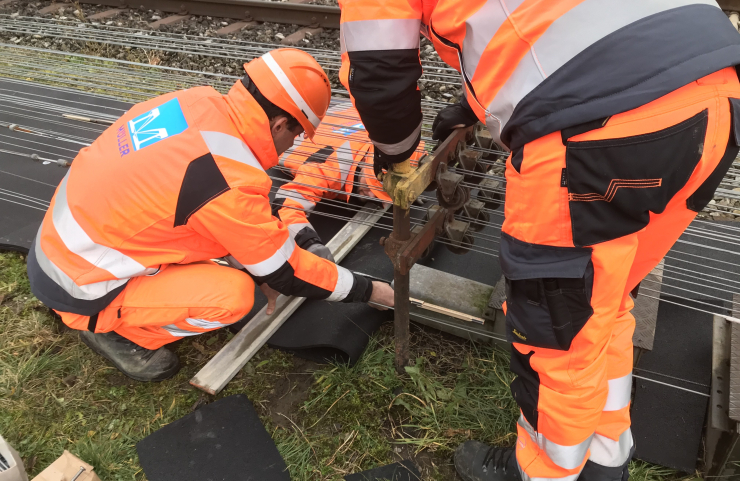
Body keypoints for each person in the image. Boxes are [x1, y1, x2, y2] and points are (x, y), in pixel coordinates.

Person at [337, 1, 740, 480]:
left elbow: (379, 69)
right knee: (604, 303)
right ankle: (604, 460)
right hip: (715, 95)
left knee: (556, 334)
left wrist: (398, 157)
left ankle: (546, 471)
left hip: (598, 134)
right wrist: (474, 102)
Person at [26, 48, 395, 382]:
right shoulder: (226, 178)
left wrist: (256, 254)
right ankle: (114, 330)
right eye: (297, 135)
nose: (293, 146)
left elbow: (213, 206)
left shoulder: (194, 100)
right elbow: (287, 272)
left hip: (60, 246)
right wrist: (369, 289)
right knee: (233, 297)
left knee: (228, 249)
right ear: (280, 124)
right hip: (82, 287)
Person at [273, 105, 425, 257]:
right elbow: (286, 204)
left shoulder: (395, 143)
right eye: (372, 187)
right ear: (367, 162)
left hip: (338, 115)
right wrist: (309, 244)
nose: (372, 197)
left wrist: (414, 186)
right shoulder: (330, 168)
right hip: (295, 131)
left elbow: (416, 157)